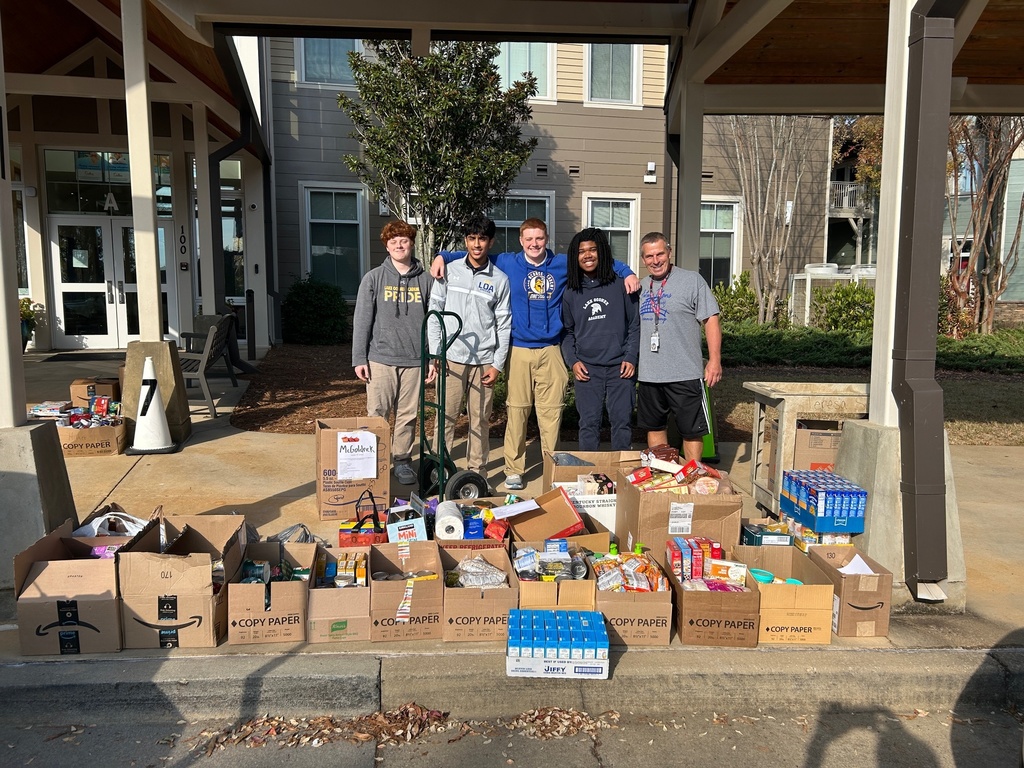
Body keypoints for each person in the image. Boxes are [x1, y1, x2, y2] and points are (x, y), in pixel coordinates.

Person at [432, 218, 639, 491]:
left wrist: (628, 271)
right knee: (517, 411)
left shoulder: (562, 263)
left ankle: (551, 468)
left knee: (551, 414)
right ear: (521, 241)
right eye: (528, 239)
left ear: (547, 238)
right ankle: (514, 470)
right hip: (519, 348)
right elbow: (473, 253)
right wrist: (442, 256)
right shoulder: (507, 262)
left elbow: (597, 260)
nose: (534, 244)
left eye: (539, 238)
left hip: (551, 348)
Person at [426, 216, 512, 489]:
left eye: (483, 239)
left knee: (480, 420)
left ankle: (477, 472)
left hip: (483, 361)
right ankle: (440, 469)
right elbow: (434, 312)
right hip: (450, 358)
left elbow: (504, 323)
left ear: (491, 242)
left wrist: (497, 364)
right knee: (446, 417)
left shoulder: (500, 279)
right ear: (465, 240)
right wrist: (435, 352)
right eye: (472, 238)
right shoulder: (449, 271)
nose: (477, 245)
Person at [352, 220, 436, 487]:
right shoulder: (374, 278)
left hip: (414, 360)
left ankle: (401, 462)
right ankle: (372, 462)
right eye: (393, 241)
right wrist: (359, 358)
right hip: (380, 358)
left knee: (408, 415)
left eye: (404, 240)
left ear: (412, 243)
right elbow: (362, 320)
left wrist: (432, 357)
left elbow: (434, 321)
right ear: (386, 246)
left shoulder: (426, 279)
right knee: (377, 413)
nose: (399, 245)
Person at [636, 231, 722, 462]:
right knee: (654, 427)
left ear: (669, 252)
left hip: (685, 372)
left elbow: (711, 320)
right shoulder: (640, 287)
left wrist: (715, 360)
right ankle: (663, 474)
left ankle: (692, 473)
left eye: (660, 254)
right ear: (643, 260)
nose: (656, 260)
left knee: (692, 430)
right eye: (649, 256)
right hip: (650, 374)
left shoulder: (692, 281)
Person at [560, 227, 640, 452]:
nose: (587, 255)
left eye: (593, 249)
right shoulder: (571, 292)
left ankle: (622, 476)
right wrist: (573, 361)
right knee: (588, 424)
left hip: (620, 368)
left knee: (622, 424)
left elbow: (634, 325)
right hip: (587, 369)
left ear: (602, 252)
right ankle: (590, 478)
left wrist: (631, 357)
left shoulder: (620, 285)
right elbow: (567, 332)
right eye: (582, 251)